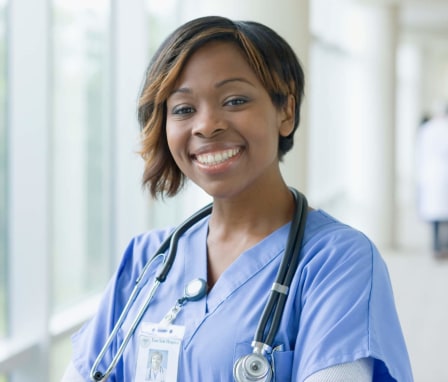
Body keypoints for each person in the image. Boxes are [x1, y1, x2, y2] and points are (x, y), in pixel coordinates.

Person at [61, 16, 413, 381]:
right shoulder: (149, 259)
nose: (206, 125)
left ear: (286, 112)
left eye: (235, 100)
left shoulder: (336, 261)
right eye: (183, 109)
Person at [417, 106, 448, 258]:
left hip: (431, 174)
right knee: (444, 217)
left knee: (436, 217)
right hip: (441, 173)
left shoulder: (427, 129)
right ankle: (445, 247)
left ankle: (436, 247)